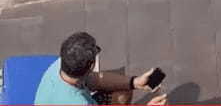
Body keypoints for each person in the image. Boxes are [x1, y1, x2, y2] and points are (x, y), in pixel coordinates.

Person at [34, 32, 167, 105]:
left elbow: (95, 79)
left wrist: (134, 82)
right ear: (91, 66)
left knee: (124, 92)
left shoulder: (61, 64)